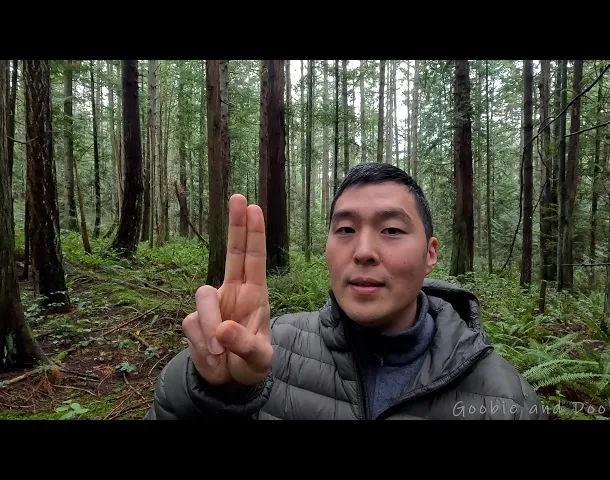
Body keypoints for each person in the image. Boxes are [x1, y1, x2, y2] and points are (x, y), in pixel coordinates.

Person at [144, 162, 546, 420]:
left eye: (391, 230)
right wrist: (217, 391)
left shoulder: (508, 400)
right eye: (346, 229)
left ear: (430, 254)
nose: (364, 251)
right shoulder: (266, 352)